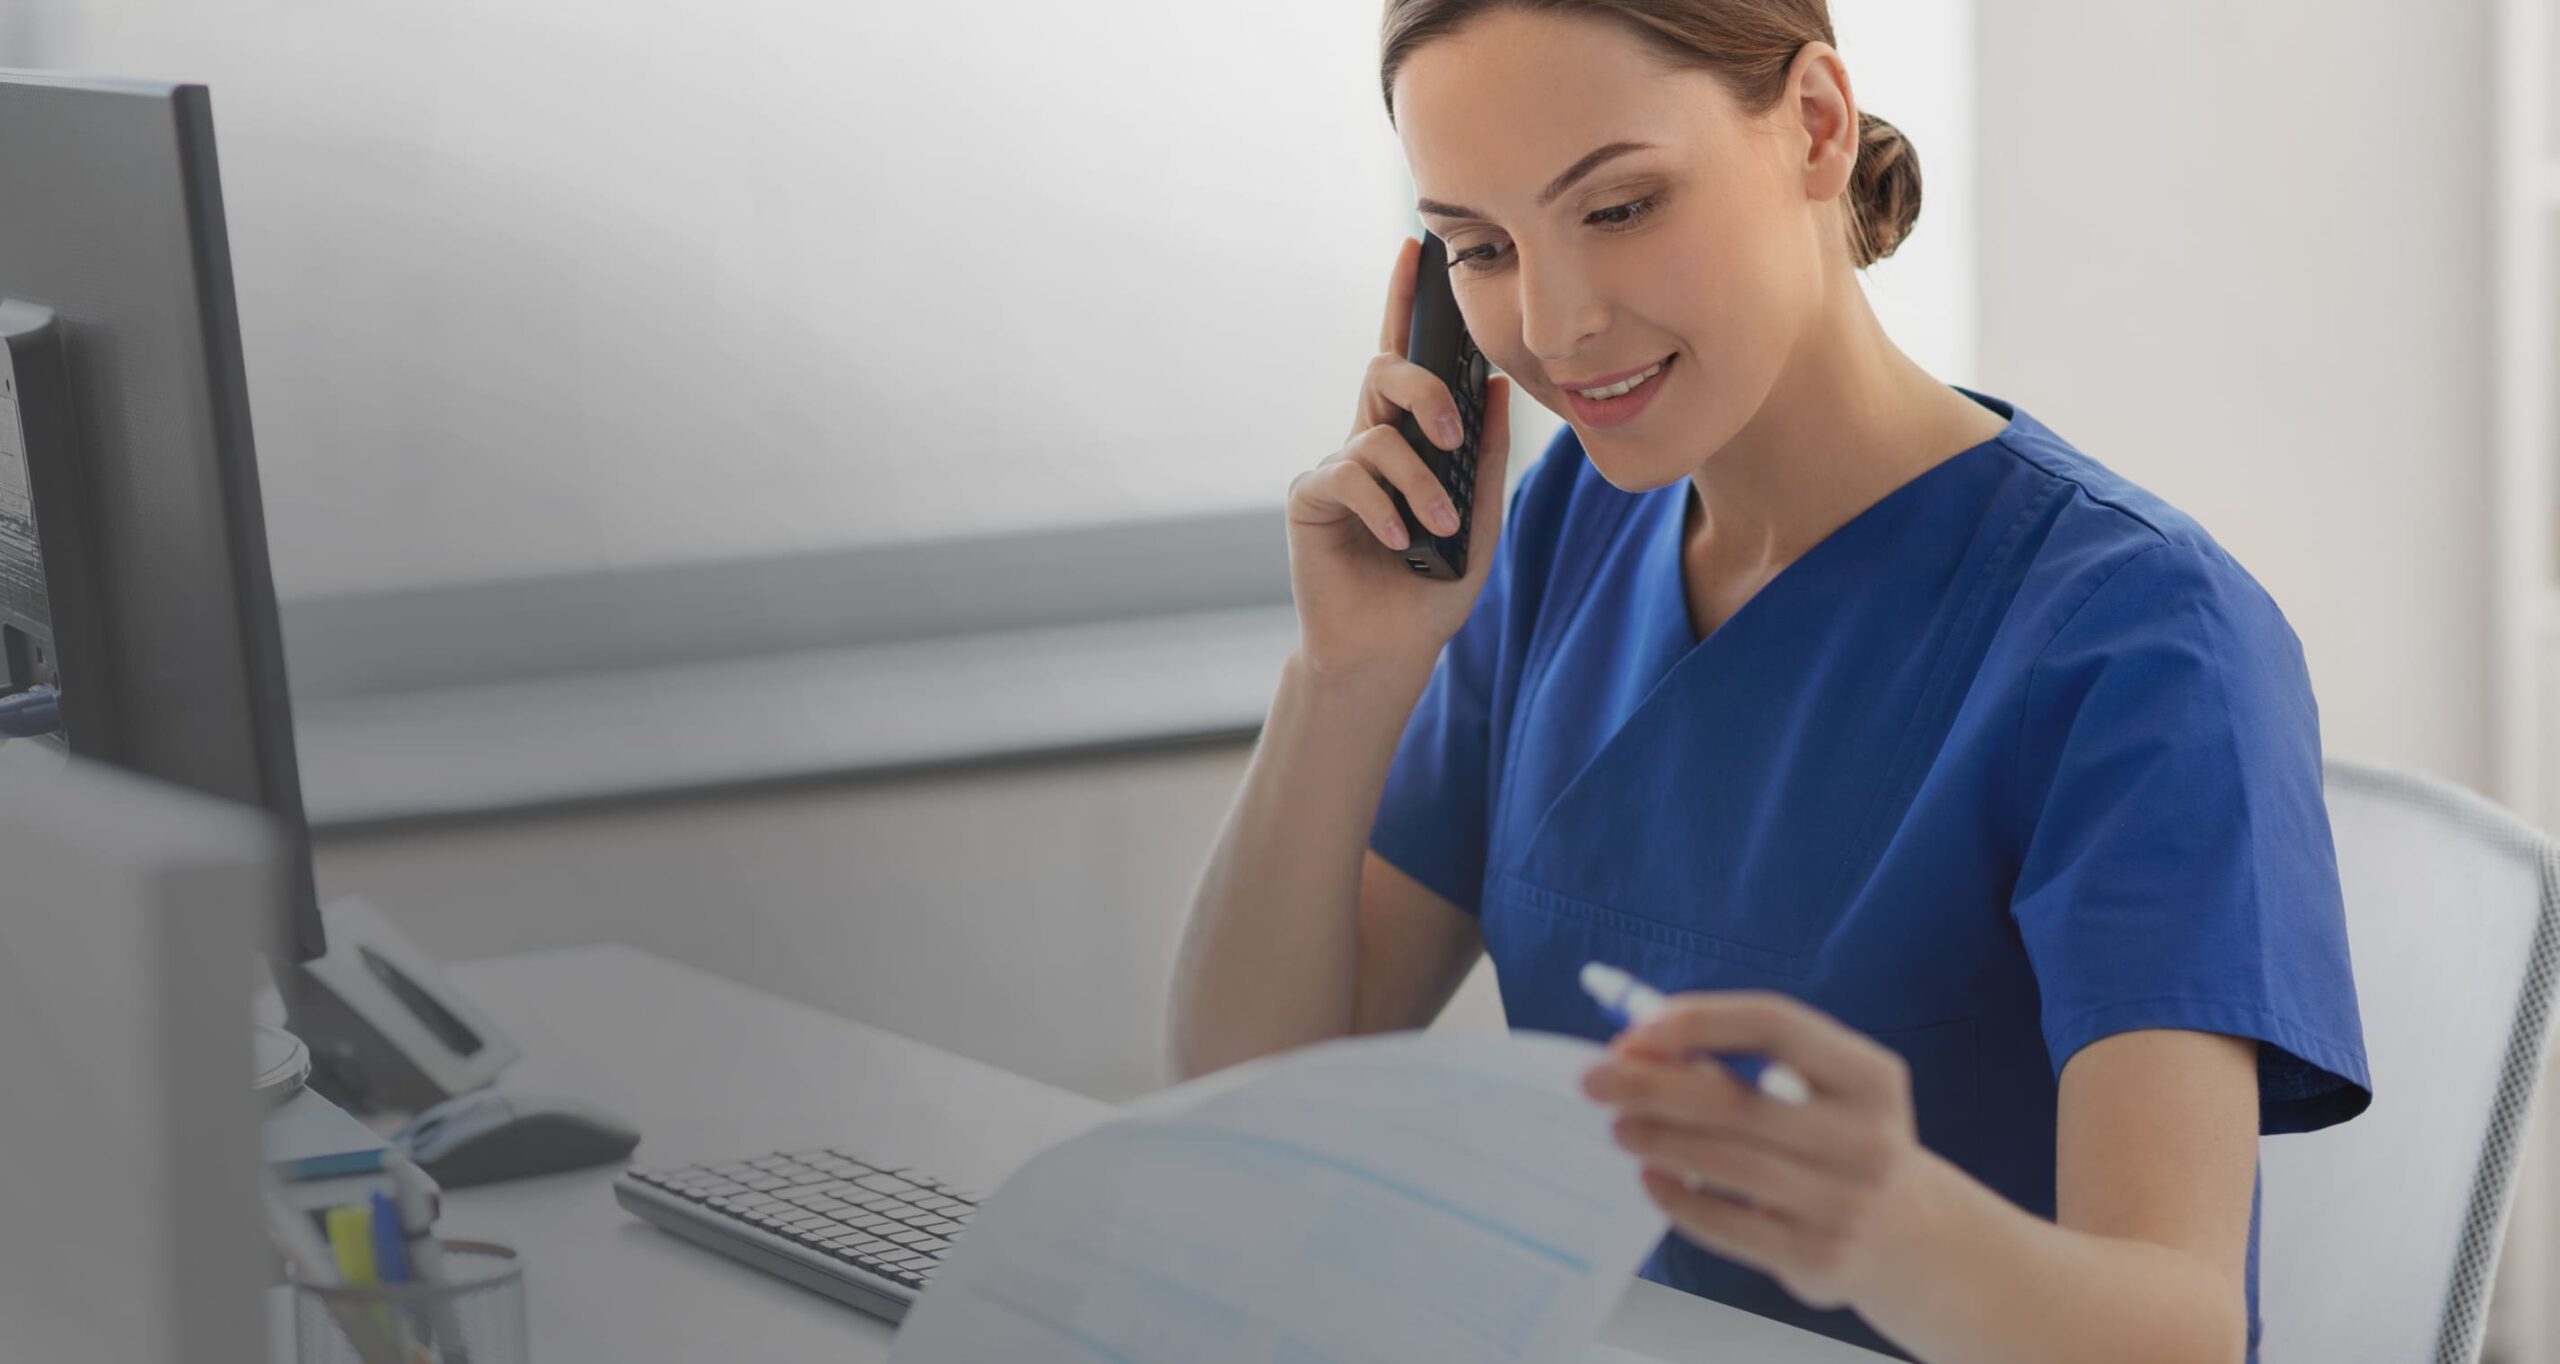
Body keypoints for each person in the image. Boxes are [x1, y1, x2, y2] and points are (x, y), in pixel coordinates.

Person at [1166, 2, 2370, 1361]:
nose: (1555, 325)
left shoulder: (2142, 638)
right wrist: (1347, 675)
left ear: (1813, 125)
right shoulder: (1567, 526)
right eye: (1482, 248)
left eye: (1618, 208)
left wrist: (1892, 1229)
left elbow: (2184, 1333)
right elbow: (1242, 1095)